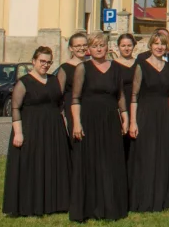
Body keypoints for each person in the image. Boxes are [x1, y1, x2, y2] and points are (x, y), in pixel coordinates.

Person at [3, 46, 70, 217]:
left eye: (49, 62)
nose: (45, 65)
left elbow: (60, 105)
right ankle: (30, 204)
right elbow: (16, 108)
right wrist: (18, 133)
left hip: (53, 129)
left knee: (53, 165)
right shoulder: (24, 82)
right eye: (42, 61)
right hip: (31, 128)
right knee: (33, 166)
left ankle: (55, 203)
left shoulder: (54, 80)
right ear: (34, 61)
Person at [70, 32, 129, 222]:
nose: (98, 48)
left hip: (111, 120)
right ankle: (89, 208)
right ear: (89, 48)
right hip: (88, 119)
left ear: (107, 46)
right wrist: (76, 123)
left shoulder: (116, 68)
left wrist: (125, 117)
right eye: (94, 45)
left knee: (110, 163)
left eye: (101, 45)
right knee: (90, 162)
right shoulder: (82, 68)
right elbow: (75, 98)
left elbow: (120, 95)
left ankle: (111, 206)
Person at [128, 31, 169, 213]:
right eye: (156, 43)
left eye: (162, 44)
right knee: (146, 155)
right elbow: (134, 95)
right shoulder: (141, 65)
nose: (159, 47)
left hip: (163, 115)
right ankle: (143, 198)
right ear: (150, 45)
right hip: (145, 113)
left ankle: (160, 198)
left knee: (162, 155)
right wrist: (133, 122)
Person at [58, 31, 88, 137]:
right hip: (71, 108)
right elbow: (59, 94)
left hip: (89, 107)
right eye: (78, 46)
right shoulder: (65, 68)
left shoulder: (91, 65)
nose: (82, 48)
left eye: (84, 45)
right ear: (71, 48)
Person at [112, 34, 137, 159]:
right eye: (123, 46)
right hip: (120, 106)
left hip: (136, 105)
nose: (126, 48)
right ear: (118, 47)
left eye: (129, 45)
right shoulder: (112, 65)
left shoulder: (139, 63)